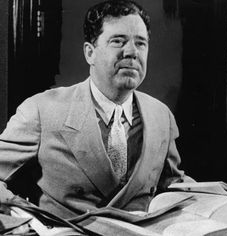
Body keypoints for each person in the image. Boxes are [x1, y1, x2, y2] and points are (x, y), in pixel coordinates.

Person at [0, 0, 193, 219]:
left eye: (141, 43)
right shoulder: (42, 111)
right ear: (89, 52)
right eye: (118, 41)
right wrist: (20, 216)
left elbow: (173, 186)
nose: (131, 52)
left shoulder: (161, 116)